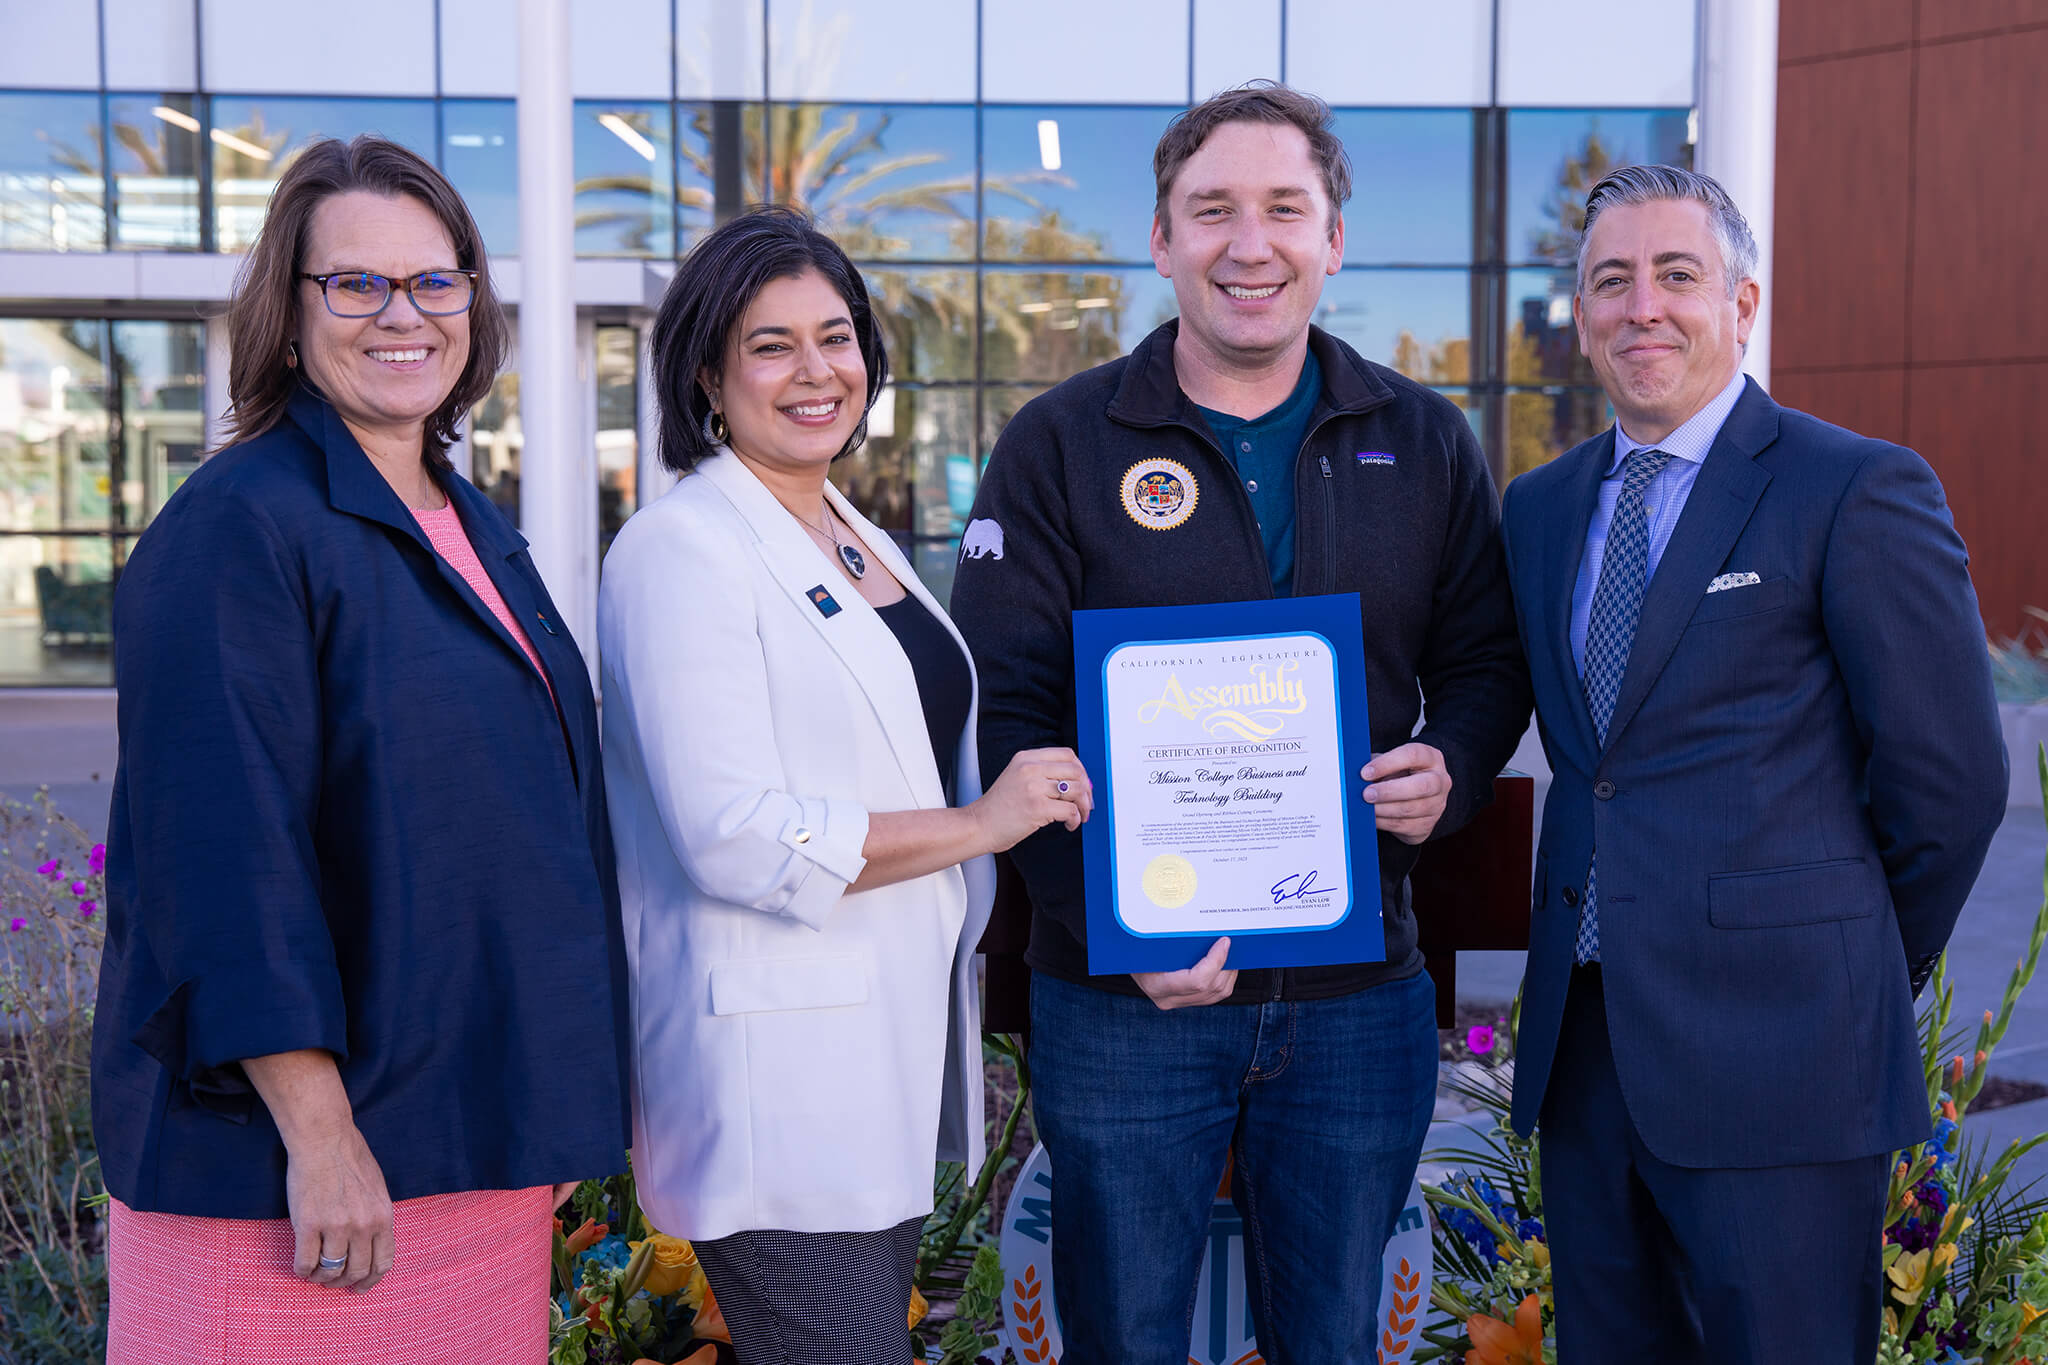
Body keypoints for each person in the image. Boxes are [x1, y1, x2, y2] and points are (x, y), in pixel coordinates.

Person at [950, 83, 1531, 1363]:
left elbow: (1486, 661)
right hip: (1122, 1002)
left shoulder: (1423, 439)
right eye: (1210, 209)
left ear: (1333, 240)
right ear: (1161, 240)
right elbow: (1007, 704)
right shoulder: (1057, 444)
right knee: (1125, 1341)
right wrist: (1104, 919)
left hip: (1354, 992)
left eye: (1284, 209)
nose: (1246, 243)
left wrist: (1457, 766)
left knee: (1327, 1341)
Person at [90, 135, 631, 1364]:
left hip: (464, 1151)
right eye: (357, 284)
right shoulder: (238, 527)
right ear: (287, 314)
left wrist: (541, 1113)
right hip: (302, 1182)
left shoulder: (464, 518)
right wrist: (319, 1132)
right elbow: (224, 858)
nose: (405, 314)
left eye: (434, 282)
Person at [1499, 164, 2009, 1363]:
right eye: (1608, 282)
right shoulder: (1538, 507)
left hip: (1784, 1053)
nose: (1641, 308)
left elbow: (1949, 783)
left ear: (1741, 303)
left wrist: (1850, 959)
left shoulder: (1851, 486)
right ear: (1577, 317)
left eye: (1675, 276)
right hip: (1586, 1052)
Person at [598, 205, 1092, 1365]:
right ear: (707, 376)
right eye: (770, 345)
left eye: (835, 335)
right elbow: (734, 837)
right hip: (775, 1085)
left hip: (874, 1058)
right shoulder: (680, 549)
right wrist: (982, 823)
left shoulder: (843, 529)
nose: (815, 371)